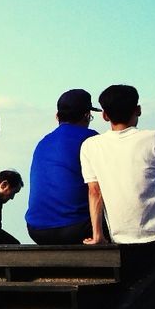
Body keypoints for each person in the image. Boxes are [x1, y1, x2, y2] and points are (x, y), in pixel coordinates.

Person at [80, 85, 155, 248]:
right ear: (138, 110)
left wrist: (98, 235)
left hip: (124, 236)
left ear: (105, 115)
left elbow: (94, 191)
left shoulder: (90, 146)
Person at [26, 89, 101, 245]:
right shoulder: (91, 139)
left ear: (57, 116)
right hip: (75, 227)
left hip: (36, 229)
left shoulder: (43, 142)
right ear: (87, 115)